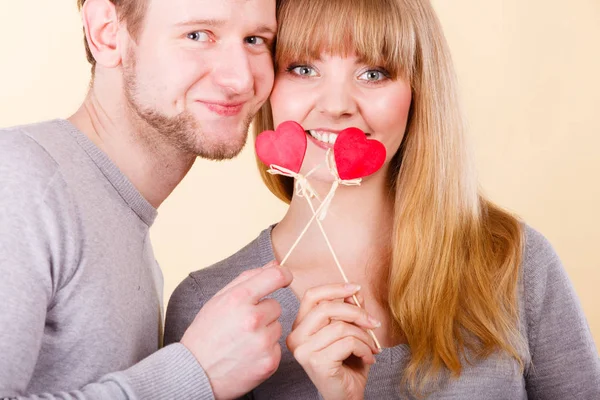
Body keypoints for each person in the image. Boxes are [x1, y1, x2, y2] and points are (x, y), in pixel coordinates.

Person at [164, 0, 600, 398]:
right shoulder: (210, 305)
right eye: (303, 68)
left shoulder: (512, 261)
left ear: (419, 94)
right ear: (265, 86)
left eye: (373, 73)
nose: (336, 106)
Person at [0, 0, 294, 398]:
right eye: (197, 35)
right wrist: (195, 373)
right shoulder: (20, 180)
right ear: (107, 32)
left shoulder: (119, 222)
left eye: (255, 40)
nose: (241, 79)